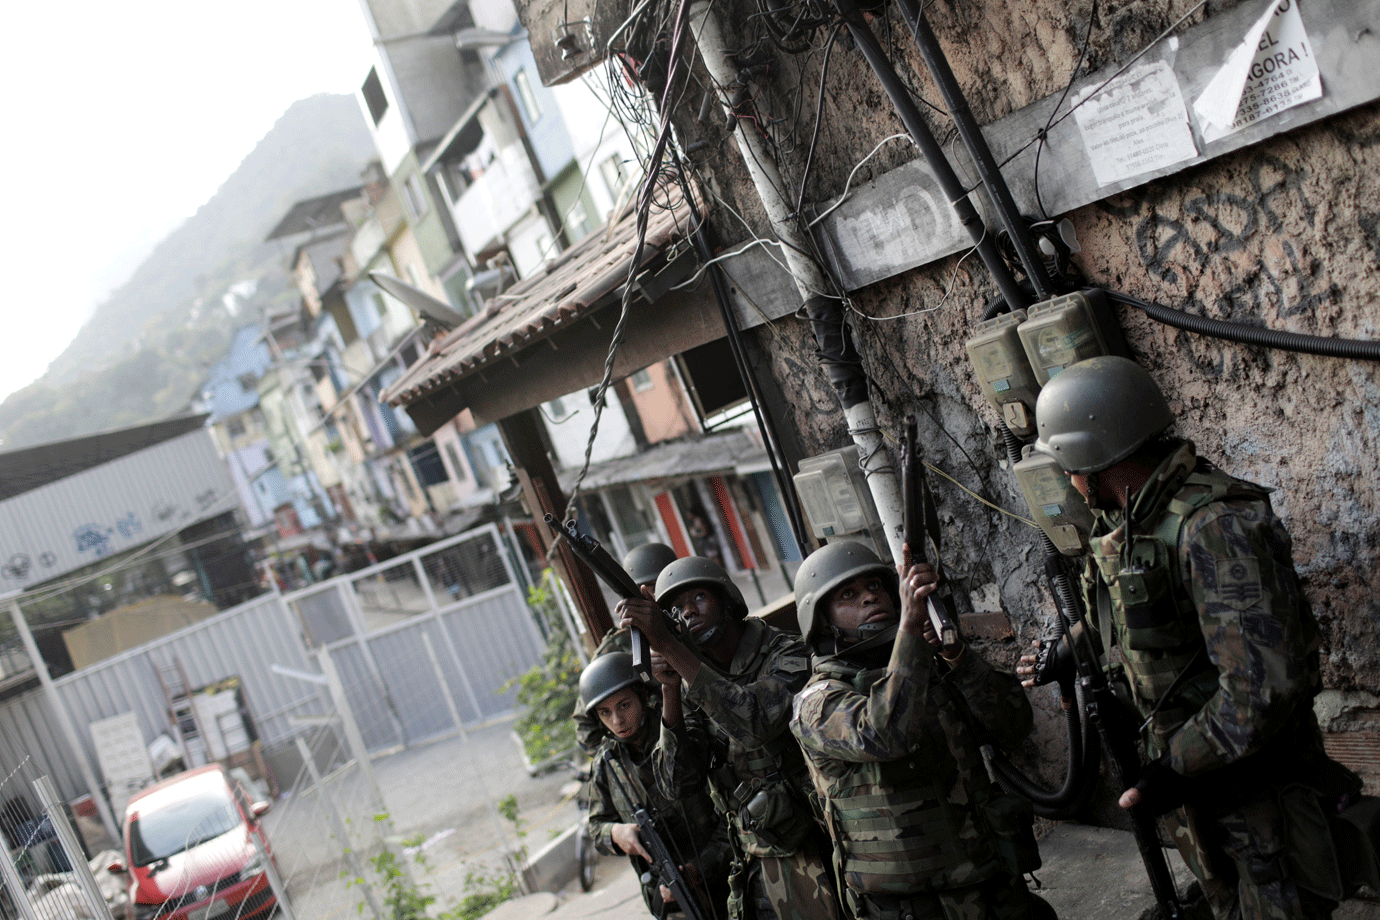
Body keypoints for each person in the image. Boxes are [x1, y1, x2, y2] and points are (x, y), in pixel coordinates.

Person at [1023, 355, 1367, 920]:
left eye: (1066, 465)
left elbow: (1260, 689)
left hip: (1259, 798)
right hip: (1196, 793)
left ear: (1094, 456)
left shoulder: (1213, 526)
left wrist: (1174, 769)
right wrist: (1074, 648)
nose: (1067, 481)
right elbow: (1143, 625)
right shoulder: (1128, 523)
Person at [790, 540, 1054, 920]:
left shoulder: (921, 667)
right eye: (849, 594)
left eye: (876, 587)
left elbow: (1012, 726)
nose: (870, 599)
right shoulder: (817, 701)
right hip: (914, 906)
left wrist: (955, 654)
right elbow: (885, 733)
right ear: (820, 620)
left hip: (993, 883)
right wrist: (911, 630)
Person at [618, 556, 841, 920]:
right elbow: (676, 782)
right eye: (676, 608)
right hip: (752, 860)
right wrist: (670, 689)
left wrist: (674, 652)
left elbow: (754, 724)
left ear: (728, 601)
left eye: (700, 598)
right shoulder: (692, 678)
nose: (688, 612)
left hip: (815, 847)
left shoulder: (786, 653)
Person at [580, 651, 731, 919]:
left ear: (642, 695)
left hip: (726, 880)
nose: (617, 721)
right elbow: (596, 827)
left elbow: (728, 811)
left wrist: (699, 868)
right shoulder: (607, 762)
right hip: (668, 902)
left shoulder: (677, 731)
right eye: (605, 712)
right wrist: (616, 833)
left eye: (624, 705)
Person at [575, 542, 680, 753]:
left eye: (659, 588)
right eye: (644, 591)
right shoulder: (617, 647)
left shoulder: (697, 625)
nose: (653, 598)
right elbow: (587, 730)